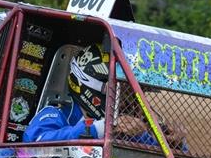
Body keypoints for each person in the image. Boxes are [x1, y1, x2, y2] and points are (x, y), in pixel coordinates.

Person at [23, 43, 188, 150]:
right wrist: (102, 127)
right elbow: (34, 141)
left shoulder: (127, 128)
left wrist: (174, 143)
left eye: (130, 93)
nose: (128, 101)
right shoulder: (58, 114)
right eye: (122, 92)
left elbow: (167, 155)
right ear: (91, 86)